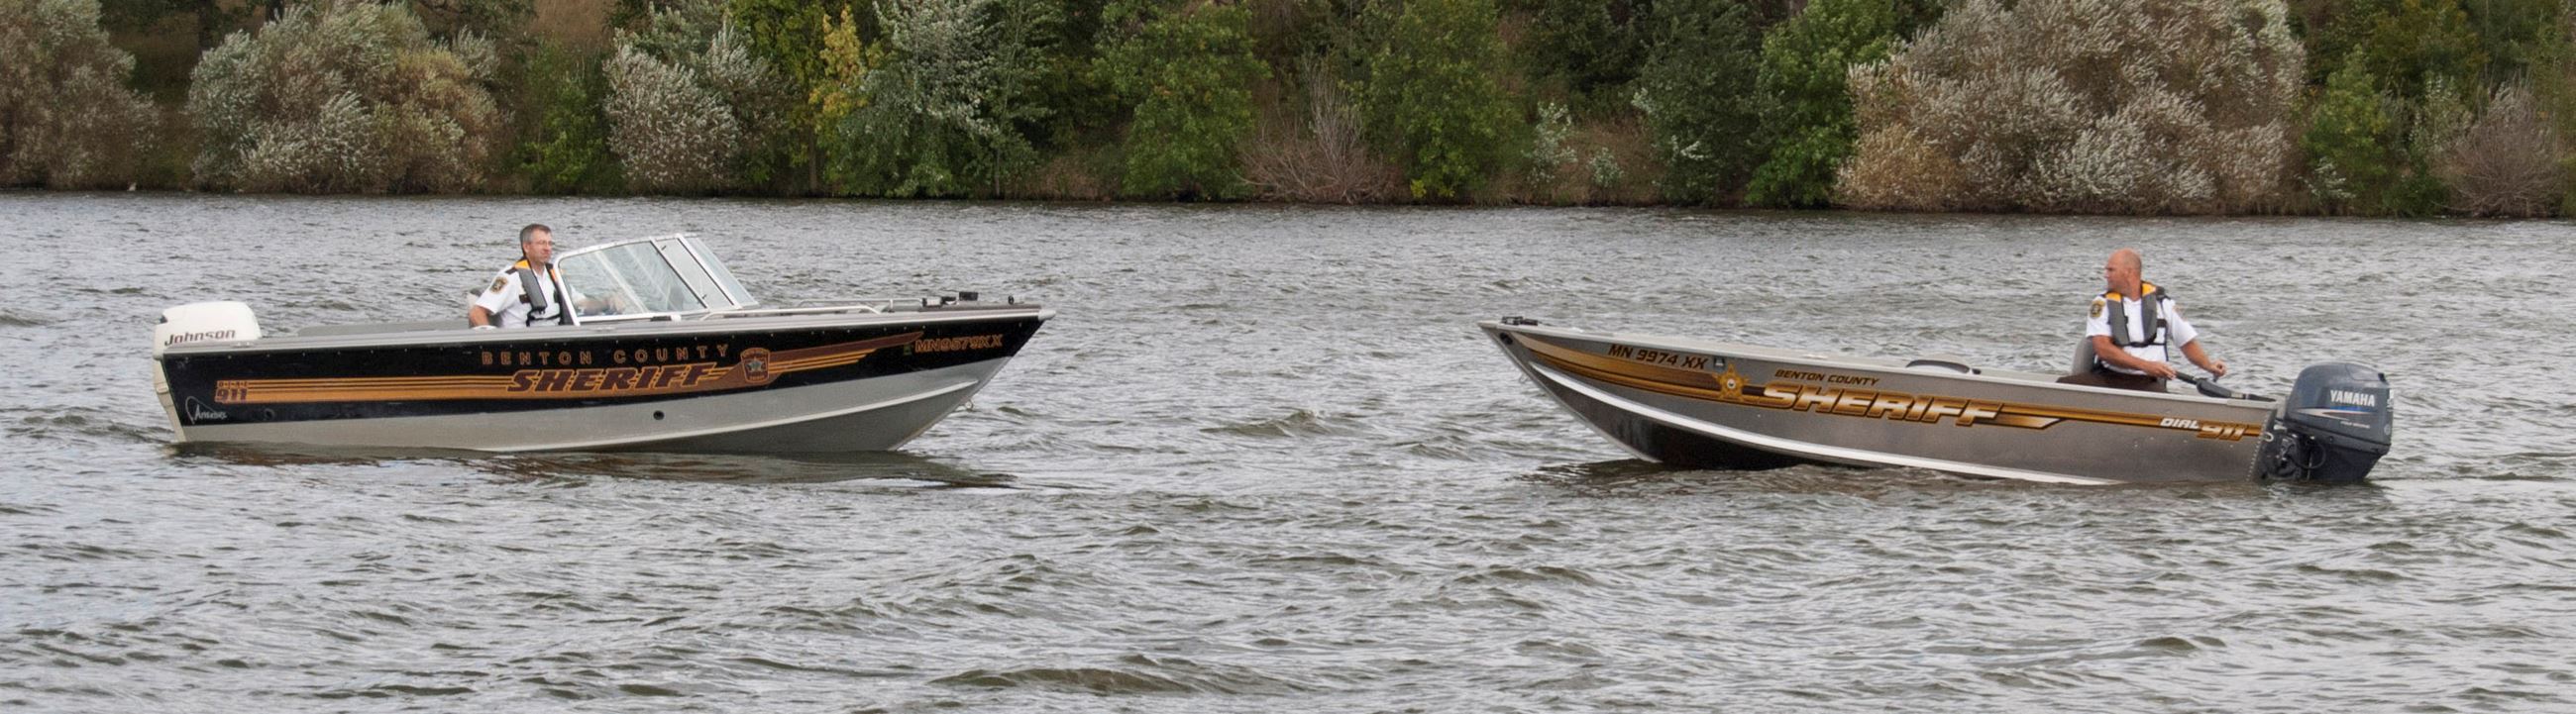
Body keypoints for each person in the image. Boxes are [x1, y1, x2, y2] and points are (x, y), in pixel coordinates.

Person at [2060, 248, 2227, 392]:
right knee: (2062, 387)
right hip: (2109, 377)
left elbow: (2187, 342)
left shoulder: (2164, 304)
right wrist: (2146, 365)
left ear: (2129, 272)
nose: (2106, 275)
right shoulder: (2101, 303)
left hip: (2147, 382)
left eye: (2111, 270)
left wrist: (2209, 366)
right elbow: (2103, 349)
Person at [468, 224, 580, 329]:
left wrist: (596, 304)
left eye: (550, 243)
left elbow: (579, 301)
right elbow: (477, 312)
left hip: (556, 339)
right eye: (541, 243)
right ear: (526, 247)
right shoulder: (509, 278)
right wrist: (491, 342)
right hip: (521, 343)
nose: (547, 248)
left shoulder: (556, 274)